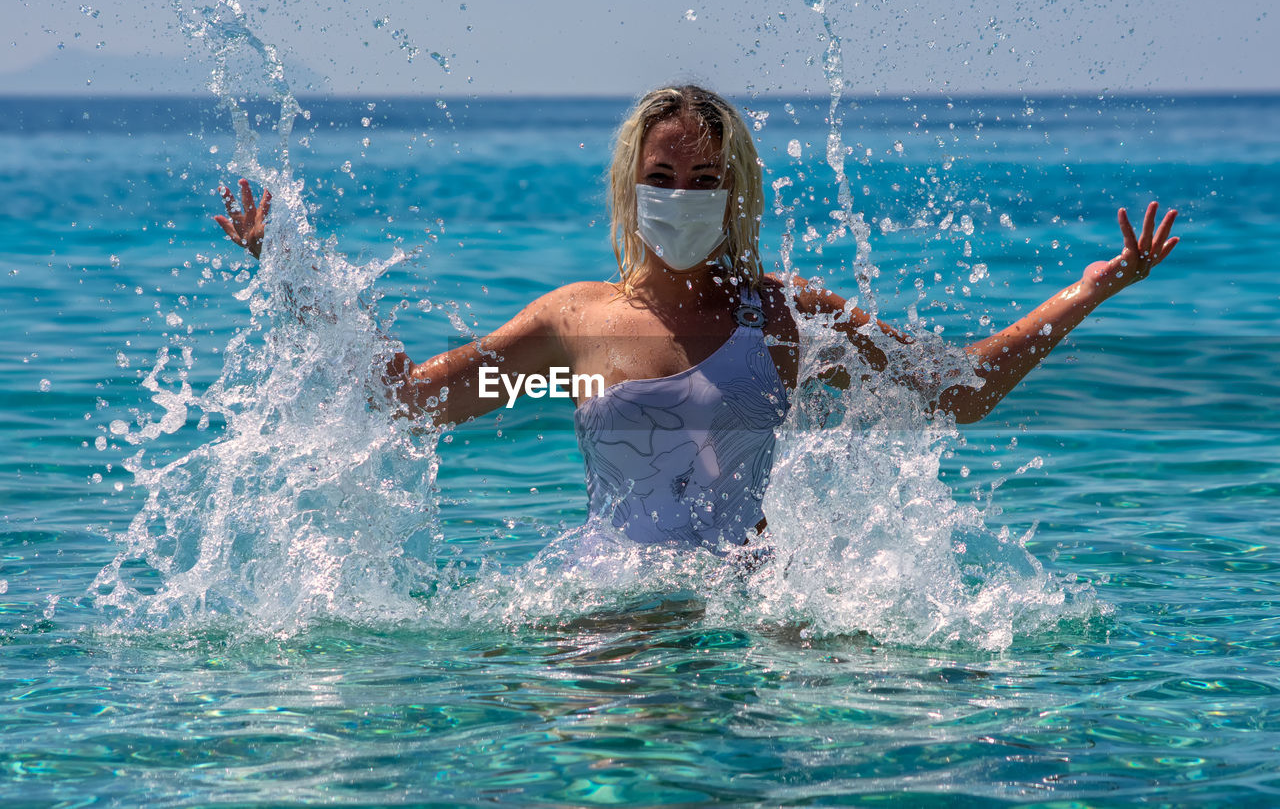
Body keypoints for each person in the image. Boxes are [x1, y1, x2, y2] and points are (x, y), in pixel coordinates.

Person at [215, 84, 1179, 553]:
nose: (684, 194)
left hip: (745, 611)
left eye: (706, 179)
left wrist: (1088, 291)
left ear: (737, 190)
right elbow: (410, 402)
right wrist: (297, 274)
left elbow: (959, 388)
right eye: (664, 177)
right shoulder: (575, 327)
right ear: (632, 188)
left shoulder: (786, 317)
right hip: (607, 608)